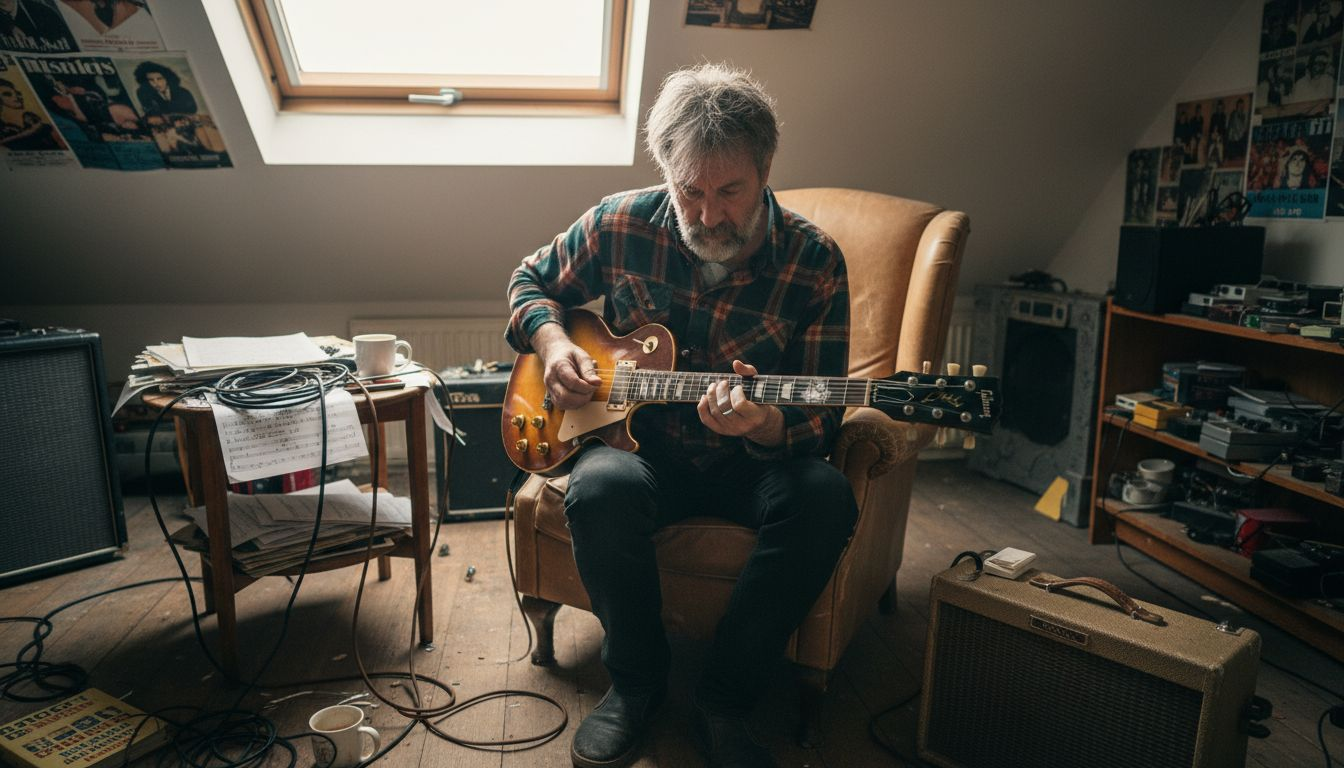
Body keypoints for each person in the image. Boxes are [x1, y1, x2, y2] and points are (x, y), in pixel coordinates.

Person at [505, 63, 856, 768]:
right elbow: (528, 281)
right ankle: (635, 688)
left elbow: (822, 413)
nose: (706, 215)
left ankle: (725, 700)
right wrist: (552, 342)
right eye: (688, 191)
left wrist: (766, 427)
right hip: (642, 448)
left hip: (752, 464)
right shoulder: (619, 222)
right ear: (666, 172)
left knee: (826, 499)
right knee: (598, 489)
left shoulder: (814, 262)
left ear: (764, 171)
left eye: (729, 192)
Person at [0, 77, 64, 151]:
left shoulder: (28, 116)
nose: (16, 97)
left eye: (17, 93)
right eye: (7, 94)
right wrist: (28, 132)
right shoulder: (4, 123)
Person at [132, 60, 197, 117]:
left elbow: (192, 110)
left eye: (159, 79)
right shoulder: (143, 93)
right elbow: (151, 113)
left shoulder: (183, 92)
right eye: (151, 80)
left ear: (167, 78)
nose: (156, 83)